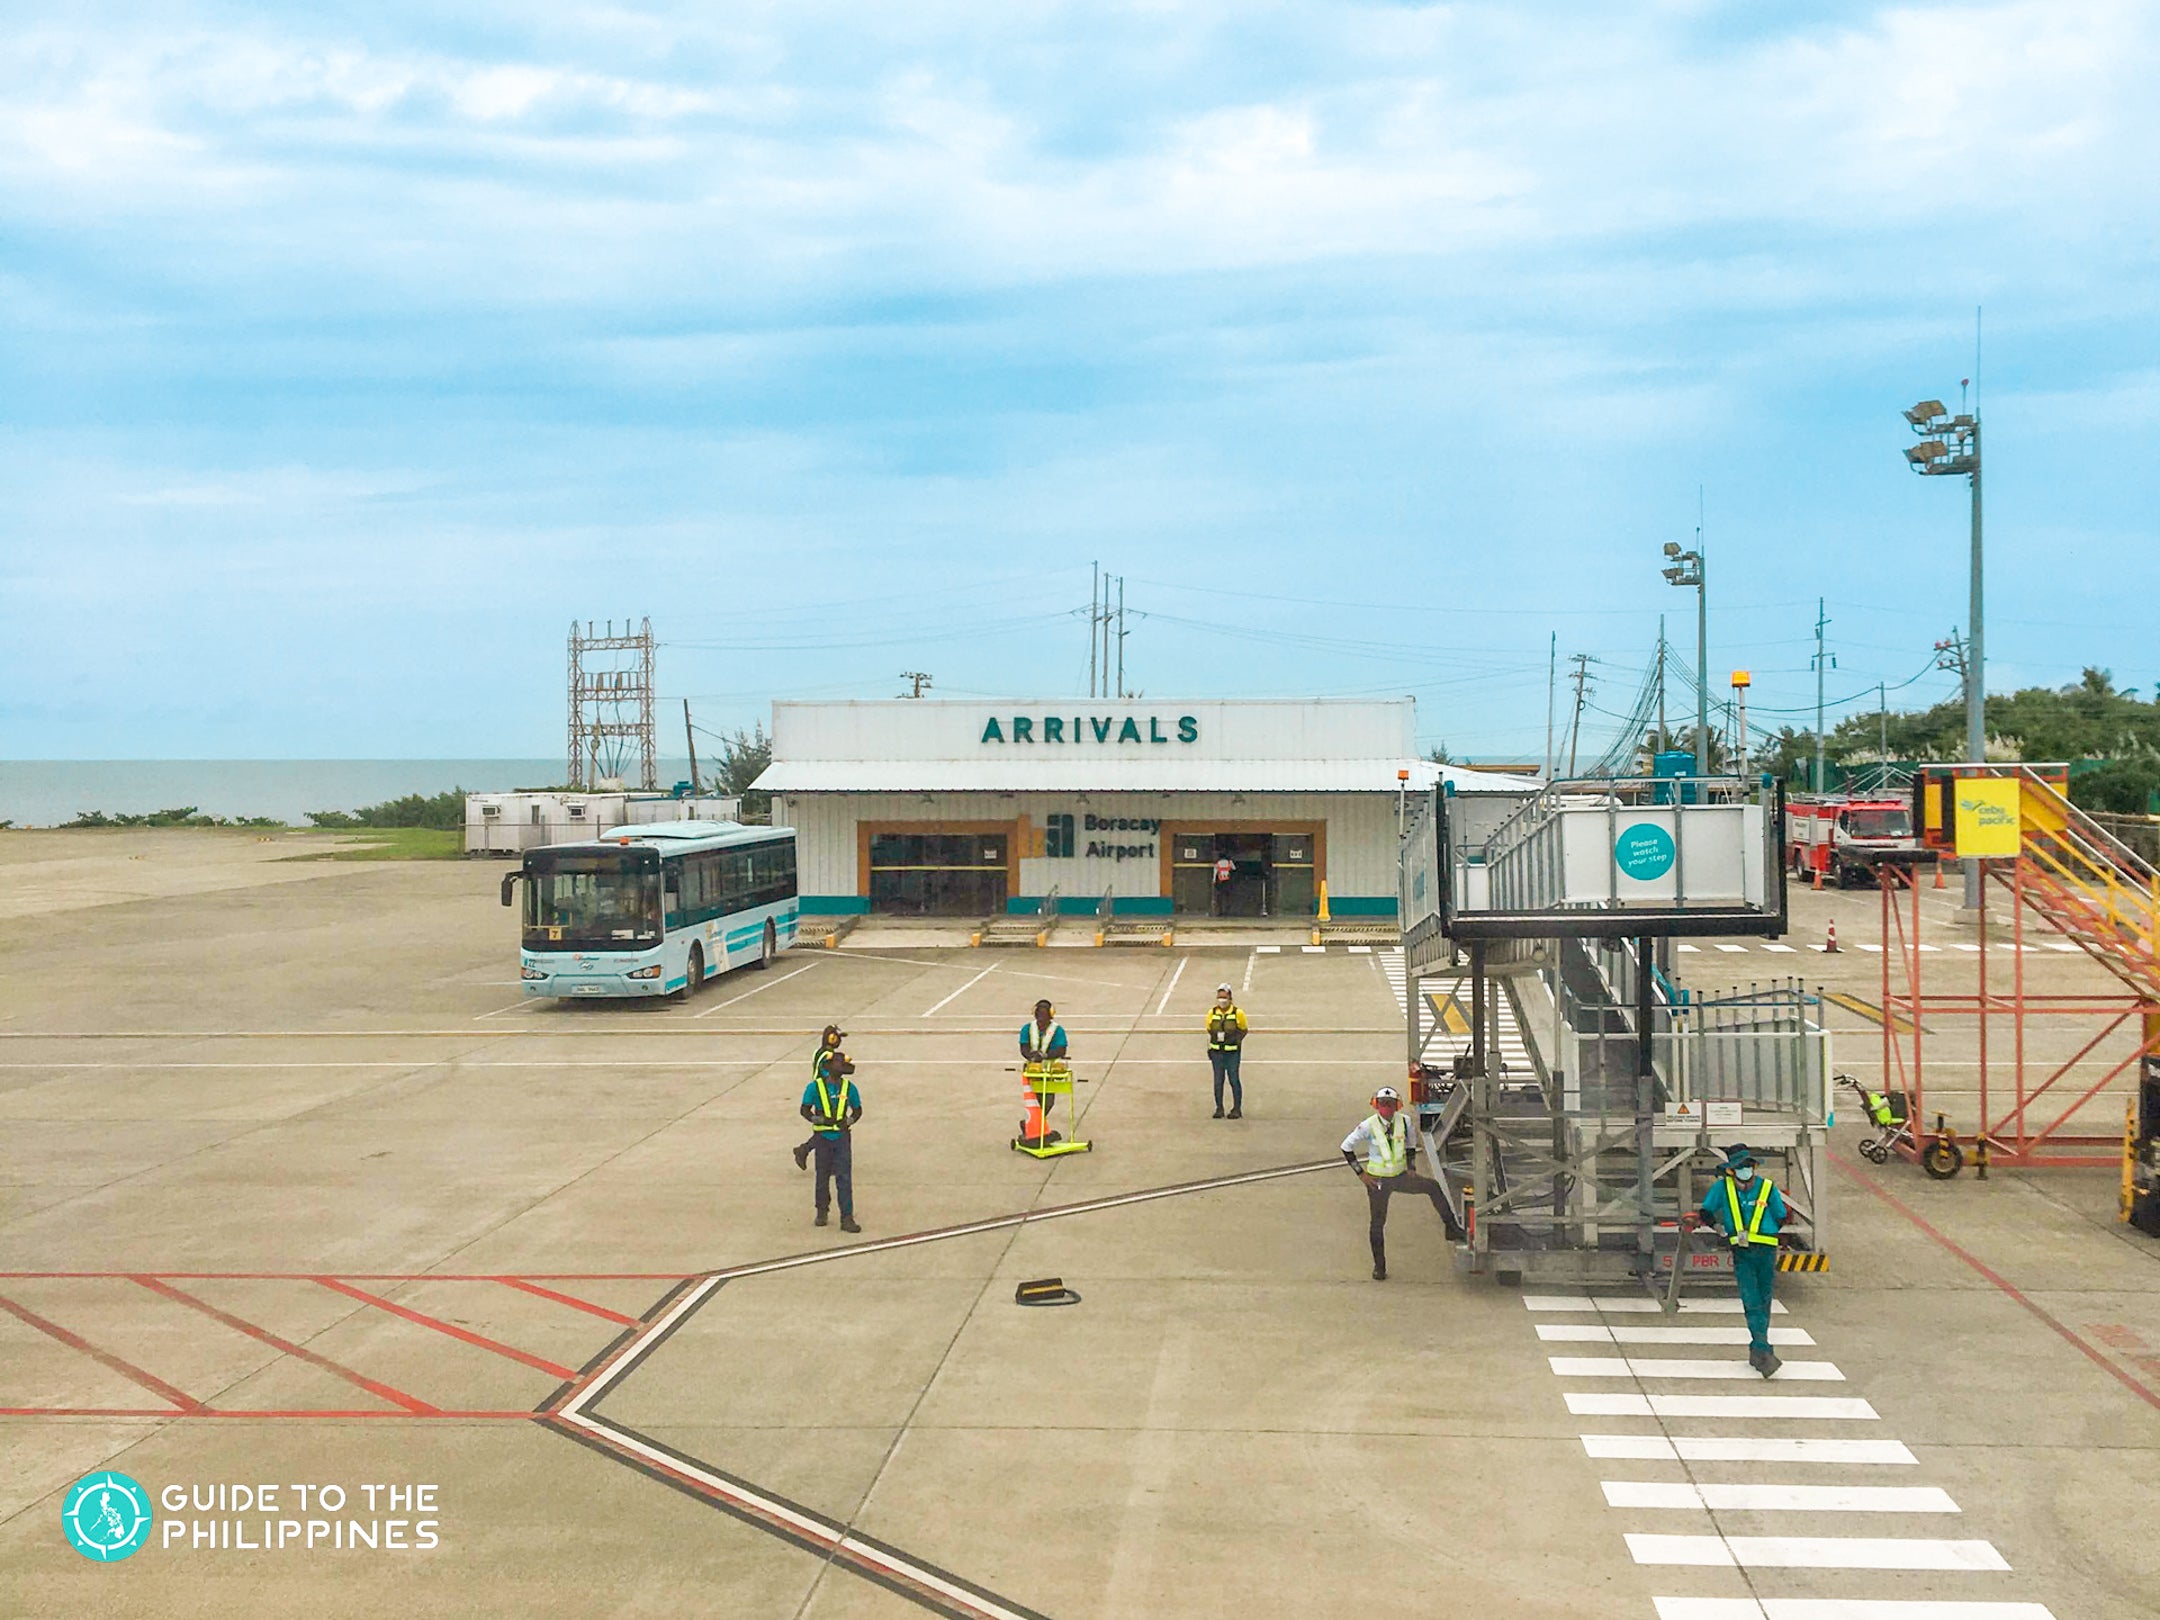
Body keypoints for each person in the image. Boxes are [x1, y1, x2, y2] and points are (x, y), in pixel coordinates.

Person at [1341, 1085, 1462, 1280]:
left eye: (1390, 1104)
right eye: (1383, 1104)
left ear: (1396, 1106)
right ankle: (1379, 1267)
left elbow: (1410, 1145)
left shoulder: (1404, 1122)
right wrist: (1361, 1174)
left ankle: (1451, 1227)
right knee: (1377, 1223)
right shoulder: (1368, 1126)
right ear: (1376, 1105)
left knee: (1432, 1187)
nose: (1386, 1108)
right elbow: (1346, 1147)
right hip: (1378, 1181)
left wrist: (1411, 1167)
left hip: (1399, 1177)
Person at [1698, 1143, 1787, 1376]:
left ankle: (1759, 1348)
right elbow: (1705, 1213)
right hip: (1743, 1251)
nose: (1745, 1171)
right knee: (1753, 1299)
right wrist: (1719, 1229)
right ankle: (1762, 1349)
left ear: (1753, 1167)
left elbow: (1781, 1216)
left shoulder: (1767, 1187)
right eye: (1741, 1167)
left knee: (1763, 1299)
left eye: (1748, 1166)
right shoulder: (1723, 1188)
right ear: (1731, 1170)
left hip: (1765, 1249)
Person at [798, 1039, 862, 1233]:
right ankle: (822, 1211)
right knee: (822, 1176)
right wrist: (817, 1119)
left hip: (841, 1137)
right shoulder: (814, 1087)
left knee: (844, 1178)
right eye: (838, 1063)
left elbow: (858, 1110)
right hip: (823, 1138)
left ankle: (846, 1217)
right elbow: (804, 1109)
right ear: (829, 1067)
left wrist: (849, 1121)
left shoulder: (849, 1088)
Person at [793, 1025, 846, 1172]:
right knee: (830, 1127)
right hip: (824, 1093)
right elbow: (828, 1071)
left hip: (820, 1090)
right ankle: (805, 1150)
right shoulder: (827, 1055)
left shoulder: (819, 1052)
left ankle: (808, 1152)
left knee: (825, 1129)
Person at [1017, 1000, 1069, 1143]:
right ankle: (1034, 1128)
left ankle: (1032, 1126)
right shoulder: (1027, 1028)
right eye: (1039, 1015)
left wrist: (1045, 1056)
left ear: (1050, 1015)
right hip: (1032, 1071)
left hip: (1049, 1071)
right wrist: (1032, 1056)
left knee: (1048, 1102)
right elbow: (1024, 1048)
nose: (1042, 1018)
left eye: (1045, 1015)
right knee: (1035, 1101)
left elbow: (1061, 1050)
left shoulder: (1057, 1030)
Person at [1205, 983, 1248, 1119]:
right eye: (1220, 997)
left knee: (1234, 1080)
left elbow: (1244, 1029)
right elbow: (1209, 1029)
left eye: (1224, 997)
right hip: (1217, 1053)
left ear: (1230, 997)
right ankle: (1219, 1108)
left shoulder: (1237, 1013)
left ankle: (1237, 1109)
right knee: (1218, 1081)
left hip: (1232, 1053)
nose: (1222, 1000)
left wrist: (1235, 1040)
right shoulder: (1212, 1013)